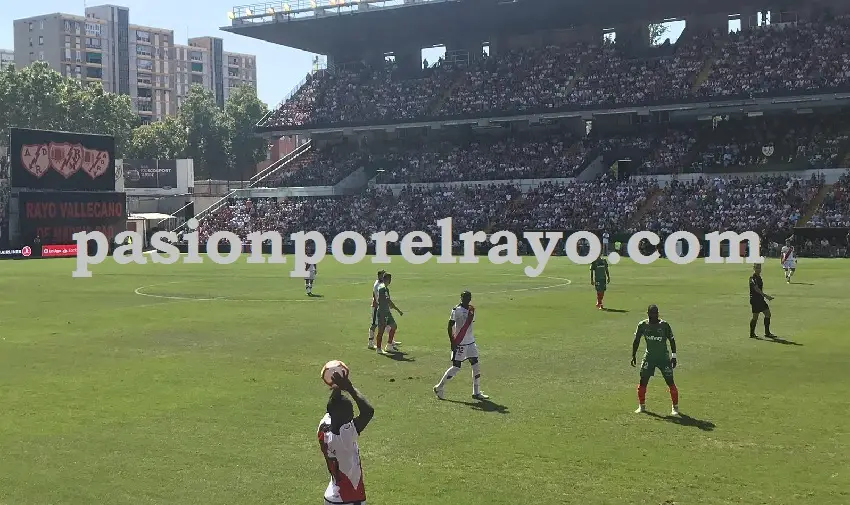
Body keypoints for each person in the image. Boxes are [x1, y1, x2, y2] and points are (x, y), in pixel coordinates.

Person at [317, 372, 374, 505]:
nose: (353, 416)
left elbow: (333, 405)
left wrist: (337, 387)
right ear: (343, 417)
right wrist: (350, 388)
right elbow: (368, 412)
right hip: (348, 498)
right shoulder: (344, 437)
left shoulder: (323, 426)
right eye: (350, 413)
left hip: (331, 496)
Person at [433, 291, 489, 401]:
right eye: (464, 297)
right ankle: (439, 387)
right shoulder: (456, 310)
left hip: (471, 342)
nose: (467, 299)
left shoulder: (471, 309)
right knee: (456, 367)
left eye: (468, 297)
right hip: (460, 343)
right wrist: (453, 342)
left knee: (476, 365)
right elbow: (450, 326)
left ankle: (476, 392)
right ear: (461, 298)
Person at [631, 304, 679, 416]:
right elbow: (636, 340)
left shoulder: (664, 326)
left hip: (663, 358)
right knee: (643, 381)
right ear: (648, 314)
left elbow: (672, 340)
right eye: (652, 313)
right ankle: (641, 406)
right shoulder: (642, 325)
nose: (654, 315)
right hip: (649, 357)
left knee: (670, 382)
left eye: (656, 313)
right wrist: (633, 355)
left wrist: (674, 356)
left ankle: (675, 407)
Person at [375, 273, 403, 354]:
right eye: (390, 279)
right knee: (381, 330)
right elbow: (388, 301)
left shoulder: (381, 287)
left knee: (394, 326)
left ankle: (389, 346)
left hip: (386, 311)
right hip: (383, 312)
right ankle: (379, 349)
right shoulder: (384, 289)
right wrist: (398, 310)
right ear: (387, 280)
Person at [749, 264, 776, 339]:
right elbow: (756, 288)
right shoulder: (752, 278)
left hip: (760, 299)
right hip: (755, 300)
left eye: (759, 268)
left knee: (768, 314)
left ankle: (767, 333)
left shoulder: (759, 277)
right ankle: (752, 334)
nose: (758, 269)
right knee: (755, 317)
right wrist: (766, 296)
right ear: (754, 268)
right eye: (757, 268)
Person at [367, 270, 386, 350]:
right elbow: (376, 296)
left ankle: (391, 341)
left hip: (380, 306)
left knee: (386, 322)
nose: (384, 277)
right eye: (383, 275)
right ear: (379, 276)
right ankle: (370, 343)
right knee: (374, 325)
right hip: (376, 307)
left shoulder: (380, 283)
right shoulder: (377, 285)